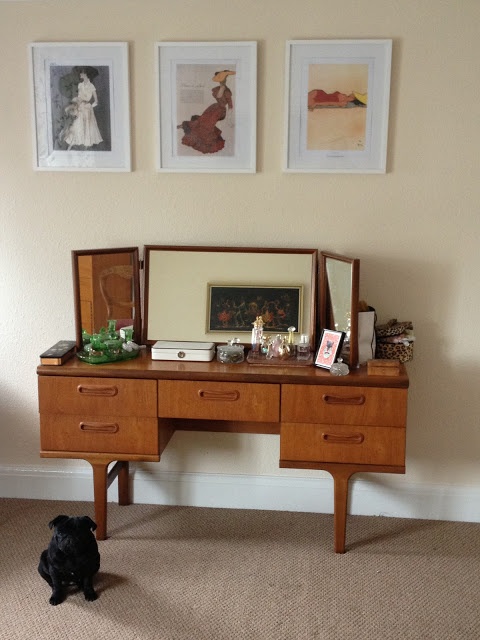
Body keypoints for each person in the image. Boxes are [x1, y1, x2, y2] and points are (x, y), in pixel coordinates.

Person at [177, 69, 235, 154]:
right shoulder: (218, 89)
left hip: (220, 111)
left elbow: (230, 105)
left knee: (207, 125)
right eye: (220, 80)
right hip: (214, 107)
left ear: (225, 79)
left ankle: (186, 126)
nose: (221, 82)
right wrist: (222, 87)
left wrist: (230, 119)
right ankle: (185, 125)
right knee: (202, 120)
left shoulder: (227, 91)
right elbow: (218, 96)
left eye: (223, 79)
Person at [64, 69, 103, 150]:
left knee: (87, 126)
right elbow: (78, 97)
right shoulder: (80, 85)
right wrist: (76, 103)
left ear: (85, 74)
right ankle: (72, 144)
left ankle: (85, 148)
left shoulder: (91, 86)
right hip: (80, 106)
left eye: (82, 73)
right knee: (77, 125)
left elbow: (96, 101)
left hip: (87, 108)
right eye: (80, 72)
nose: (80, 74)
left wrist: (90, 106)